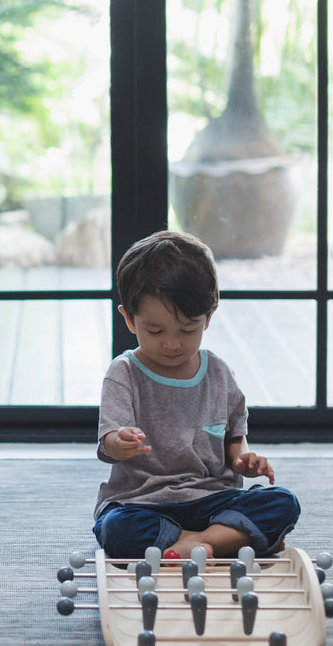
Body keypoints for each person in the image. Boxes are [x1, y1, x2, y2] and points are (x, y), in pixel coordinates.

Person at [92, 230, 300, 559]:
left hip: (213, 499)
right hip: (144, 502)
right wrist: (123, 442)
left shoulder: (218, 372)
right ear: (129, 320)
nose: (172, 343)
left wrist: (243, 460)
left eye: (187, 329)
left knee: (282, 502)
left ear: (209, 317)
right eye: (155, 331)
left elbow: (234, 437)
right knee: (115, 529)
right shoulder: (124, 374)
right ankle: (223, 541)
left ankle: (193, 543)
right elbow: (110, 443)